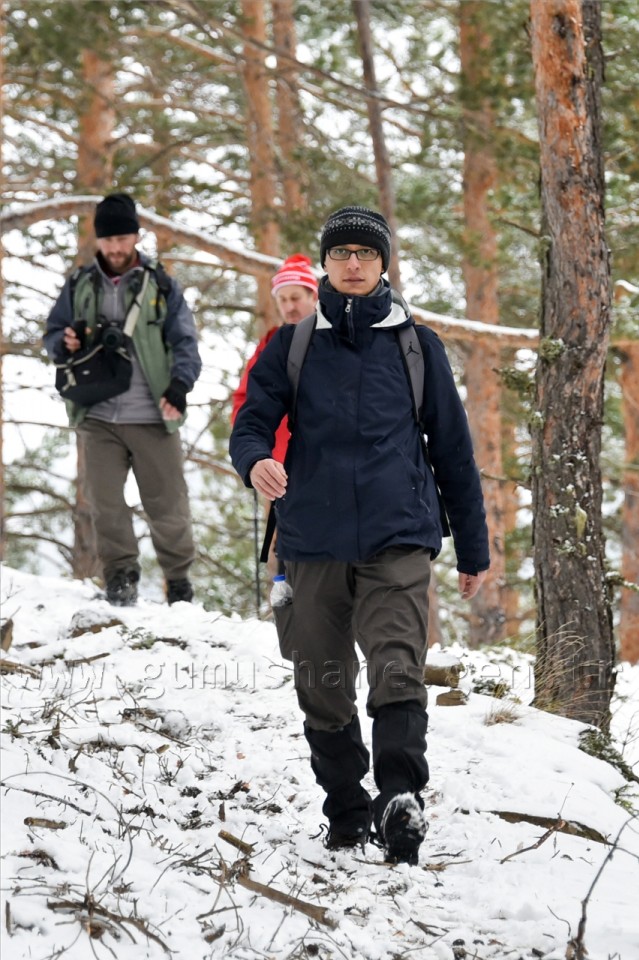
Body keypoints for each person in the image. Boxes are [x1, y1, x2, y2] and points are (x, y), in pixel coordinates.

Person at [230, 206, 489, 865]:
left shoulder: (415, 346)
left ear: (382, 264)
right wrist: (255, 458)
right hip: (310, 537)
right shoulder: (293, 344)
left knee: (396, 663)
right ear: (325, 263)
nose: (352, 263)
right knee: (320, 680)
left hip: (397, 533)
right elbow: (251, 422)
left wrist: (472, 546)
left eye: (364, 254)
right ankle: (345, 807)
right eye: (341, 253)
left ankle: (400, 799)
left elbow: (452, 452)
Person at [44, 192, 202, 607]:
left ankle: (179, 582)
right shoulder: (80, 283)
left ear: (135, 235)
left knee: (167, 505)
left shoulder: (161, 284)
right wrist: (65, 340)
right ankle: (120, 577)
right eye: (108, 240)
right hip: (97, 413)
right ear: (98, 240)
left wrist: (180, 386)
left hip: (153, 412)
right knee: (106, 504)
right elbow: (53, 334)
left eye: (122, 238)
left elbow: (185, 340)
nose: (115, 248)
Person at [231, 254, 318, 464]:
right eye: (282, 299)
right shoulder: (269, 344)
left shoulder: (333, 339)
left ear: (313, 297)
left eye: (295, 298)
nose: (289, 307)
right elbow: (244, 398)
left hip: (321, 465)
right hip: (274, 465)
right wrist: (252, 449)